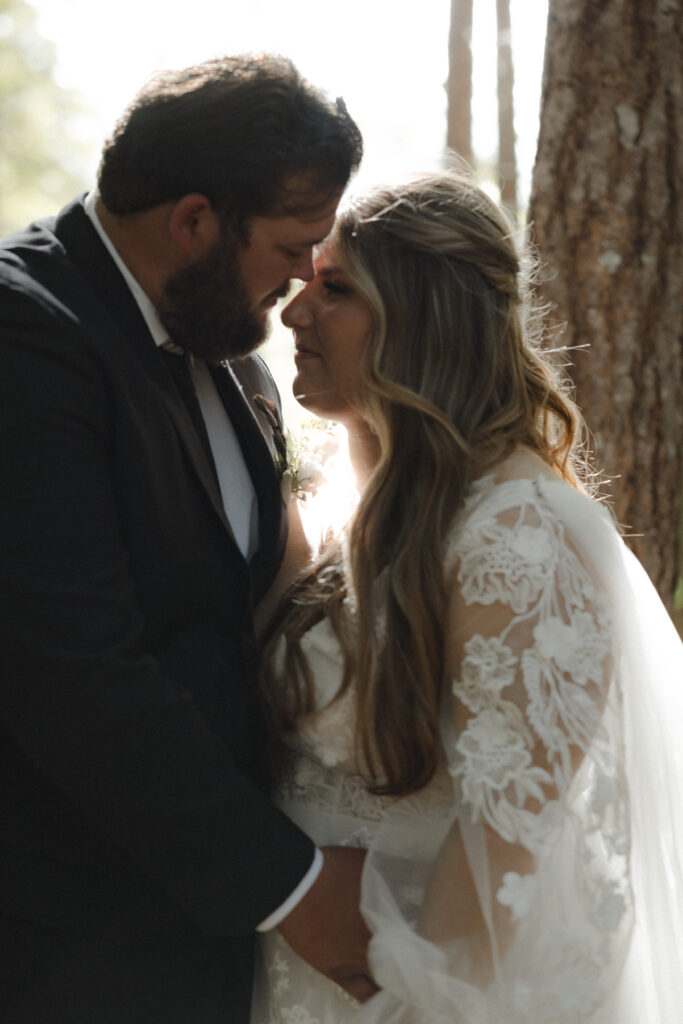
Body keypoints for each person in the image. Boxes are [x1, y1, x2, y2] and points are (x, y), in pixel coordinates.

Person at [254, 172, 683, 1022]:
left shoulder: (523, 538)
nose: (294, 314)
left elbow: (500, 877)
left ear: (423, 318)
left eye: (334, 289)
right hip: (280, 973)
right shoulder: (330, 507)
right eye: (303, 284)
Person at [0, 54, 376, 1024]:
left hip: (204, 950)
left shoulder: (225, 352)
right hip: (63, 951)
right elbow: (72, 673)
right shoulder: (26, 335)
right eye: (292, 247)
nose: (302, 284)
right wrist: (291, 885)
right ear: (196, 221)